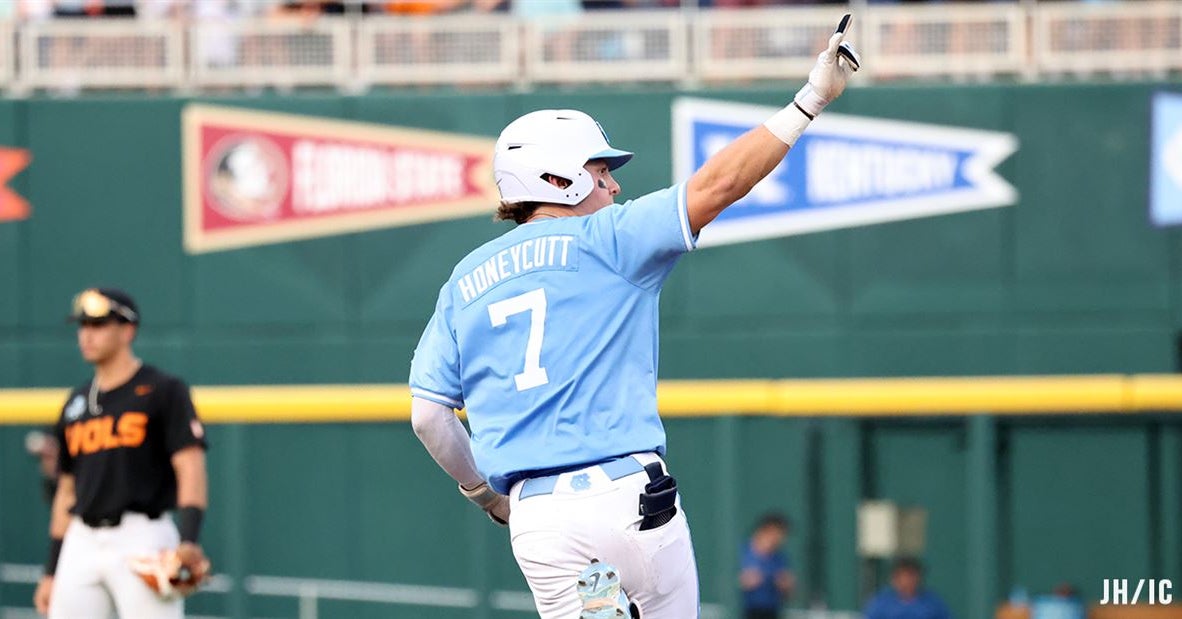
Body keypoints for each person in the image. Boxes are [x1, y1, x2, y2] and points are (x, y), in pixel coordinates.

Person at [407, 16, 859, 619]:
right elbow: (721, 182)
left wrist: (483, 492)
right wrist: (810, 100)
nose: (614, 187)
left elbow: (429, 416)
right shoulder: (608, 239)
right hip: (628, 499)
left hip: (538, 519)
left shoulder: (464, 279)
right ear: (555, 179)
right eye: (600, 172)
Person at [33, 288, 211, 619]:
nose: (87, 334)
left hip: (142, 536)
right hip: (81, 539)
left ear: (128, 330)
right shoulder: (76, 402)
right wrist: (51, 571)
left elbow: (191, 466)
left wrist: (188, 539)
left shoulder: (162, 389)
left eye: (98, 325)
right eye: (83, 325)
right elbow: (67, 491)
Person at [740, 513, 795, 619]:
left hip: (770, 612)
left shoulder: (780, 558)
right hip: (747, 612)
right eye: (779, 533)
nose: (781, 539)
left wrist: (786, 585)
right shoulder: (743, 552)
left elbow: (788, 591)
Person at [863, 558, 952, 619]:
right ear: (894, 579)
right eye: (904, 576)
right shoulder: (881, 603)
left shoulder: (933, 603)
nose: (909, 581)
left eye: (912, 575)